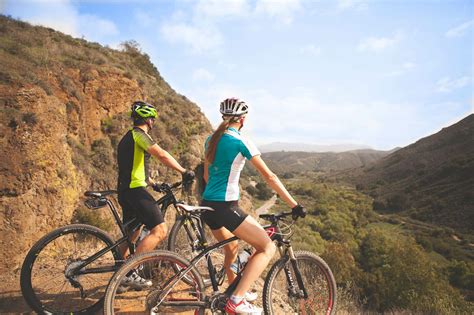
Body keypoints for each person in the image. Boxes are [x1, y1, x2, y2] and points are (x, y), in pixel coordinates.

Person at [201, 98, 305, 314]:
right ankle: (236, 301)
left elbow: (206, 174)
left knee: (232, 248)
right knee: (267, 247)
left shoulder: (211, 139)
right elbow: (269, 176)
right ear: (243, 119)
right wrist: (294, 205)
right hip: (226, 206)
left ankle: (235, 290)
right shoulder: (241, 141)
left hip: (207, 204)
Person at [117, 100, 194, 289]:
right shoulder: (139, 135)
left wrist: (153, 183)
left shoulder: (127, 137)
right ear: (149, 120)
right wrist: (184, 171)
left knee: (131, 235)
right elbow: (162, 154)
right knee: (159, 230)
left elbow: (134, 166)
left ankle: (119, 278)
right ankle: (129, 272)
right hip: (135, 191)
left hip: (125, 190)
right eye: (153, 120)